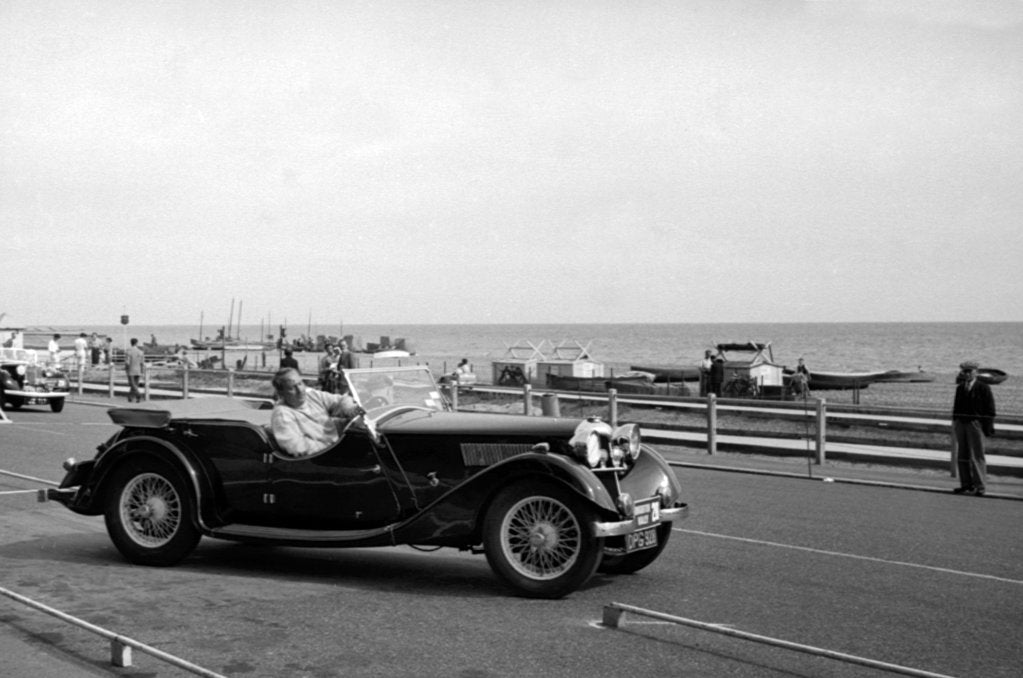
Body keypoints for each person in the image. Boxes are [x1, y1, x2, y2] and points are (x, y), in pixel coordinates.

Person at [270, 367, 362, 457]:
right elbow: (297, 447)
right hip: (322, 458)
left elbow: (341, 400)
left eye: (300, 383)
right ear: (281, 393)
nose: (300, 390)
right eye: (292, 388)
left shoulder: (313, 396)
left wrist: (352, 410)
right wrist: (332, 448)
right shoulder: (282, 413)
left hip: (335, 448)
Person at [952, 360, 996, 496]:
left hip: (975, 423)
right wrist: (956, 421)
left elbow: (990, 409)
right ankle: (966, 484)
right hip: (961, 423)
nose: (966, 374)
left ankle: (980, 486)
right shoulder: (960, 387)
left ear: (976, 372)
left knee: (977, 455)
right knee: (962, 455)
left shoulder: (983, 388)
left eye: (969, 371)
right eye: (964, 371)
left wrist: (986, 427)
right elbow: (956, 406)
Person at [124, 337, 146, 402]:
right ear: (137, 343)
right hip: (138, 369)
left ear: (131, 343)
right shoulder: (140, 352)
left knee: (132, 384)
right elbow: (142, 363)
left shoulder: (128, 351)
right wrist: (142, 371)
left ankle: (138, 394)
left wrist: (126, 369)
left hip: (131, 369)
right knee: (135, 384)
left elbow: (127, 362)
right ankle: (130, 397)